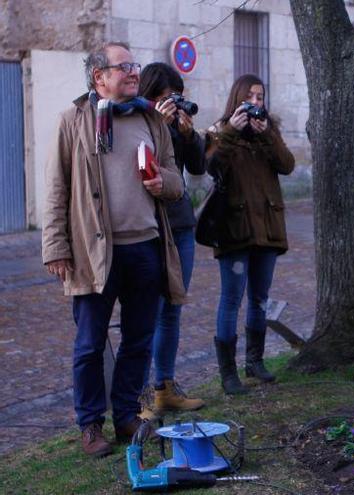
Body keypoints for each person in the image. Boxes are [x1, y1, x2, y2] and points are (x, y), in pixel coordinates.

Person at [42, 42, 185, 457]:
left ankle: (125, 416)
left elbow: (176, 177)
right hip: (92, 253)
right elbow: (56, 189)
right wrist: (56, 246)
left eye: (134, 65)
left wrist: (165, 185)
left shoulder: (149, 119)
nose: (133, 72)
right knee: (90, 343)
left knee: (139, 339)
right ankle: (90, 426)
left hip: (145, 247)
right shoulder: (73, 120)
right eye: (123, 67)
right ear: (98, 77)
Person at [205, 74, 296, 395]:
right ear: (237, 100)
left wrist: (267, 137)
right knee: (231, 300)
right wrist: (231, 131)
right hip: (234, 230)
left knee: (259, 298)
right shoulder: (219, 131)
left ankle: (254, 362)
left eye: (260, 97)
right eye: (250, 98)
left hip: (267, 228)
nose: (257, 104)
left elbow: (287, 165)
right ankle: (229, 374)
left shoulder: (268, 132)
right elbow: (212, 166)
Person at [137, 62, 206, 415]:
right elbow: (137, 165)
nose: (170, 103)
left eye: (174, 96)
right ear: (149, 97)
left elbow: (197, 168)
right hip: (147, 226)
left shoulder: (176, 124)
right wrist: (158, 126)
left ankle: (165, 387)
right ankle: (142, 394)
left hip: (180, 225)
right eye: (164, 98)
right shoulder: (135, 122)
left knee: (173, 309)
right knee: (147, 312)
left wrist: (189, 134)